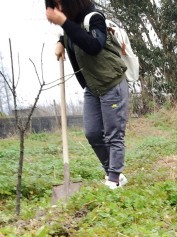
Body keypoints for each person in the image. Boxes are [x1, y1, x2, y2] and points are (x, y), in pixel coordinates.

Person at [46, 0, 129, 189]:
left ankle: (114, 179)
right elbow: (73, 34)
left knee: (113, 134)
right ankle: (113, 173)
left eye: (60, 3)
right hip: (92, 88)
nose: (58, 9)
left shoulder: (95, 18)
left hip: (111, 83)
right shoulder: (69, 27)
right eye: (54, 4)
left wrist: (65, 24)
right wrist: (61, 41)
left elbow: (93, 46)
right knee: (92, 133)